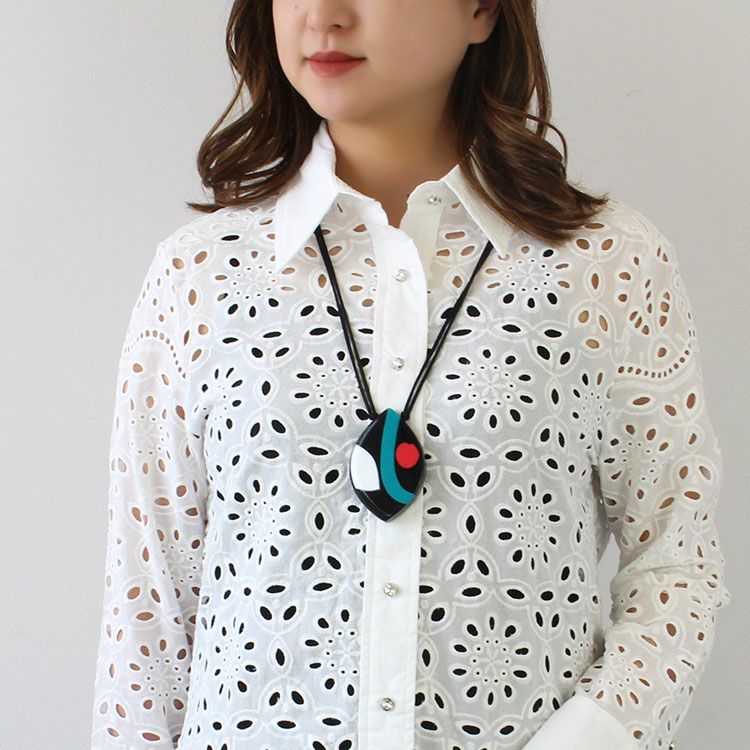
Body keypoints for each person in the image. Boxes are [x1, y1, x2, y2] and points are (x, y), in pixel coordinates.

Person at [90, 2, 730, 749]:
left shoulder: (607, 264)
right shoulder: (199, 274)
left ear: (482, 9)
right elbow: (148, 611)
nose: (323, 15)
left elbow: (676, 564)